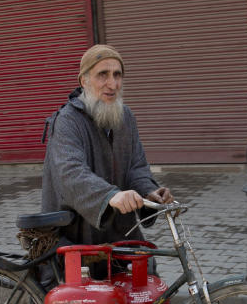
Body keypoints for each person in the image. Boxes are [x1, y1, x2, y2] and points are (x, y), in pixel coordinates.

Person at [41, 44, 173, 254]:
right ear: (84, 81)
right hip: (75, 235)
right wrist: (110, 195)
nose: (112, 83)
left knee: (145, 278)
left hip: (122, 231)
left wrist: (149, 192)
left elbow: (136, 167)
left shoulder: (126, 117)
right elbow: (70, 173)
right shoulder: (67, 121)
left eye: (117, 75)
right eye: (103, 74)